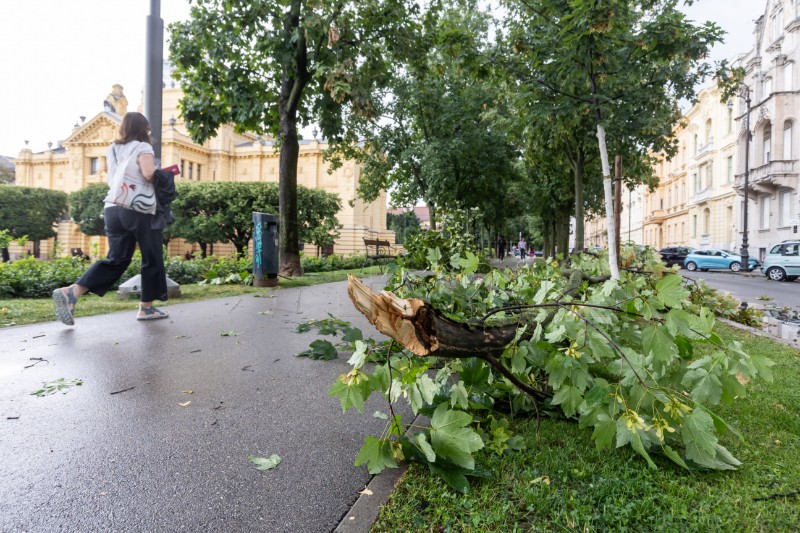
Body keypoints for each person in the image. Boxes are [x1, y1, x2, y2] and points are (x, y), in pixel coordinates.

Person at [52, 112, 169, 325]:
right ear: (144, 129)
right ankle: (147, 308)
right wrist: (166, 175)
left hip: (113, 208)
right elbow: (149, 174)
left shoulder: (113, 149)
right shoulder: (143, 148)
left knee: (117, 258)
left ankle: (73, 292)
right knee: (151, 257)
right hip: (138, 208)